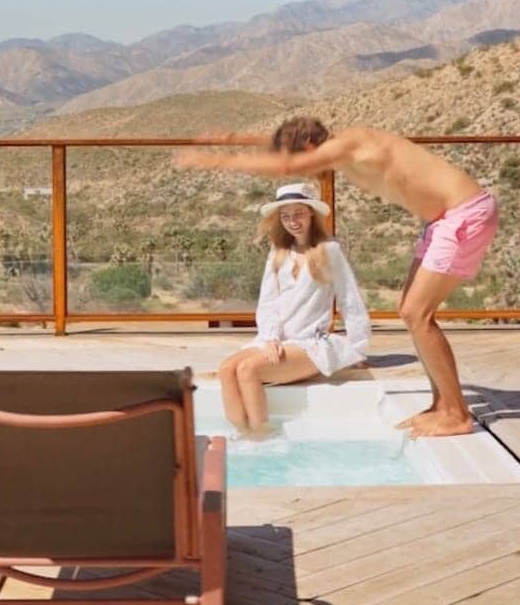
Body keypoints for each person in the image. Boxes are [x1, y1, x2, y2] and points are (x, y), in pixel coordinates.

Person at [179, 116, 498, 437]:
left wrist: (214, 160)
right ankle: (442, 405)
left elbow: (287, 166)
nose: (308, 168)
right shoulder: (348, 147)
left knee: (417, 314)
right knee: (410, 311)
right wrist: (234, 138)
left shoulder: (348, 143)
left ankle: (456, 414)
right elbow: (284, 150)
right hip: (441, 219)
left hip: (463, 212)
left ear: (309, 147)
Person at [216, 179, 370, 436]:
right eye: (286, 216)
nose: (292, 221)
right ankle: (242, 436)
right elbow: (268, 301)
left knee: (247, 369)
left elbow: (349, 297)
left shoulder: (329, 250)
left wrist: (358, 347)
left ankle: (262, 437)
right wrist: (270, 337)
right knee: (225, 370)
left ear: (310, 213)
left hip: (310, 342)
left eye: (298, 213)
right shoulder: (278, 252)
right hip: (277, 340)